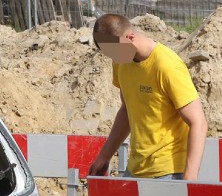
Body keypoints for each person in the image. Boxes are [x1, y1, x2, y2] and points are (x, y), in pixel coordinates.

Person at [88, 14, 208, 181]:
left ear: (130, 37)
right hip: (137, 168)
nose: (112, 58)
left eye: (113, 51)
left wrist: (190, 178)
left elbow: (198, 123)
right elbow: (126, 110)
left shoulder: (167, 66)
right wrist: (105, 156)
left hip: (168, 171)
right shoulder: (121, 61)